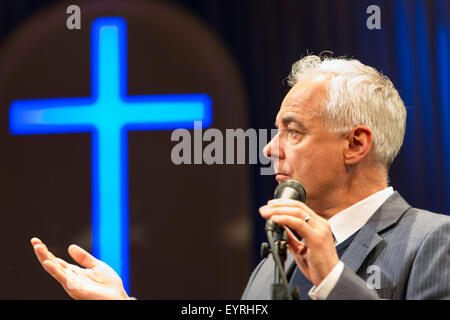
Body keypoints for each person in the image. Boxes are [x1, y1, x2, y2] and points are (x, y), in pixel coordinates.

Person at [31, 55, 450, 300]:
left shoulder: (434, 242)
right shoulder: (274, 264)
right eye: (276, 131)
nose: (270, 149)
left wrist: (334, 281)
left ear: (356, 144)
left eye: (294, 131)